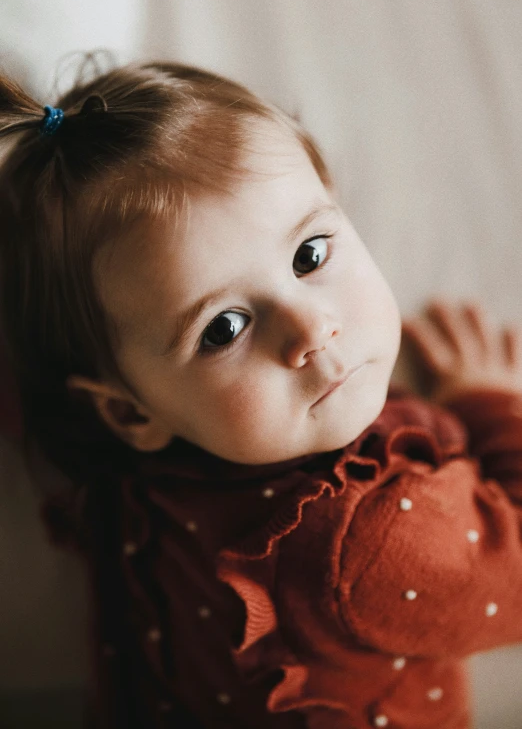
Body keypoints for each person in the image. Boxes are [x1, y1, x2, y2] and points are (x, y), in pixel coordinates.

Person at [0, 58, 521, 729]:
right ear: (128, 410)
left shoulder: (153, 429)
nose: (311, 328)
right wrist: (491, 405)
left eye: (310, 255)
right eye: (224, 329)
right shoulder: (380, 542)